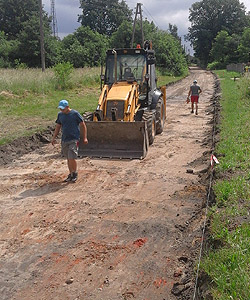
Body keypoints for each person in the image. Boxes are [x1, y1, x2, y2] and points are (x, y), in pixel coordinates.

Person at [51, 99, 88, 183]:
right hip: (64, 139)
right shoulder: (60, 115)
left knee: (72, 157)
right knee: (68, 157)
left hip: (74, 139)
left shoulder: (75, 114)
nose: (61, 110)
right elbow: (58, 126)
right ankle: (71, 173)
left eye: (63, 109)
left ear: (67, 107)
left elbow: (83, 125)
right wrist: (54, 138)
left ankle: (74, 173)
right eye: (60, 108)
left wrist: (85, 137)